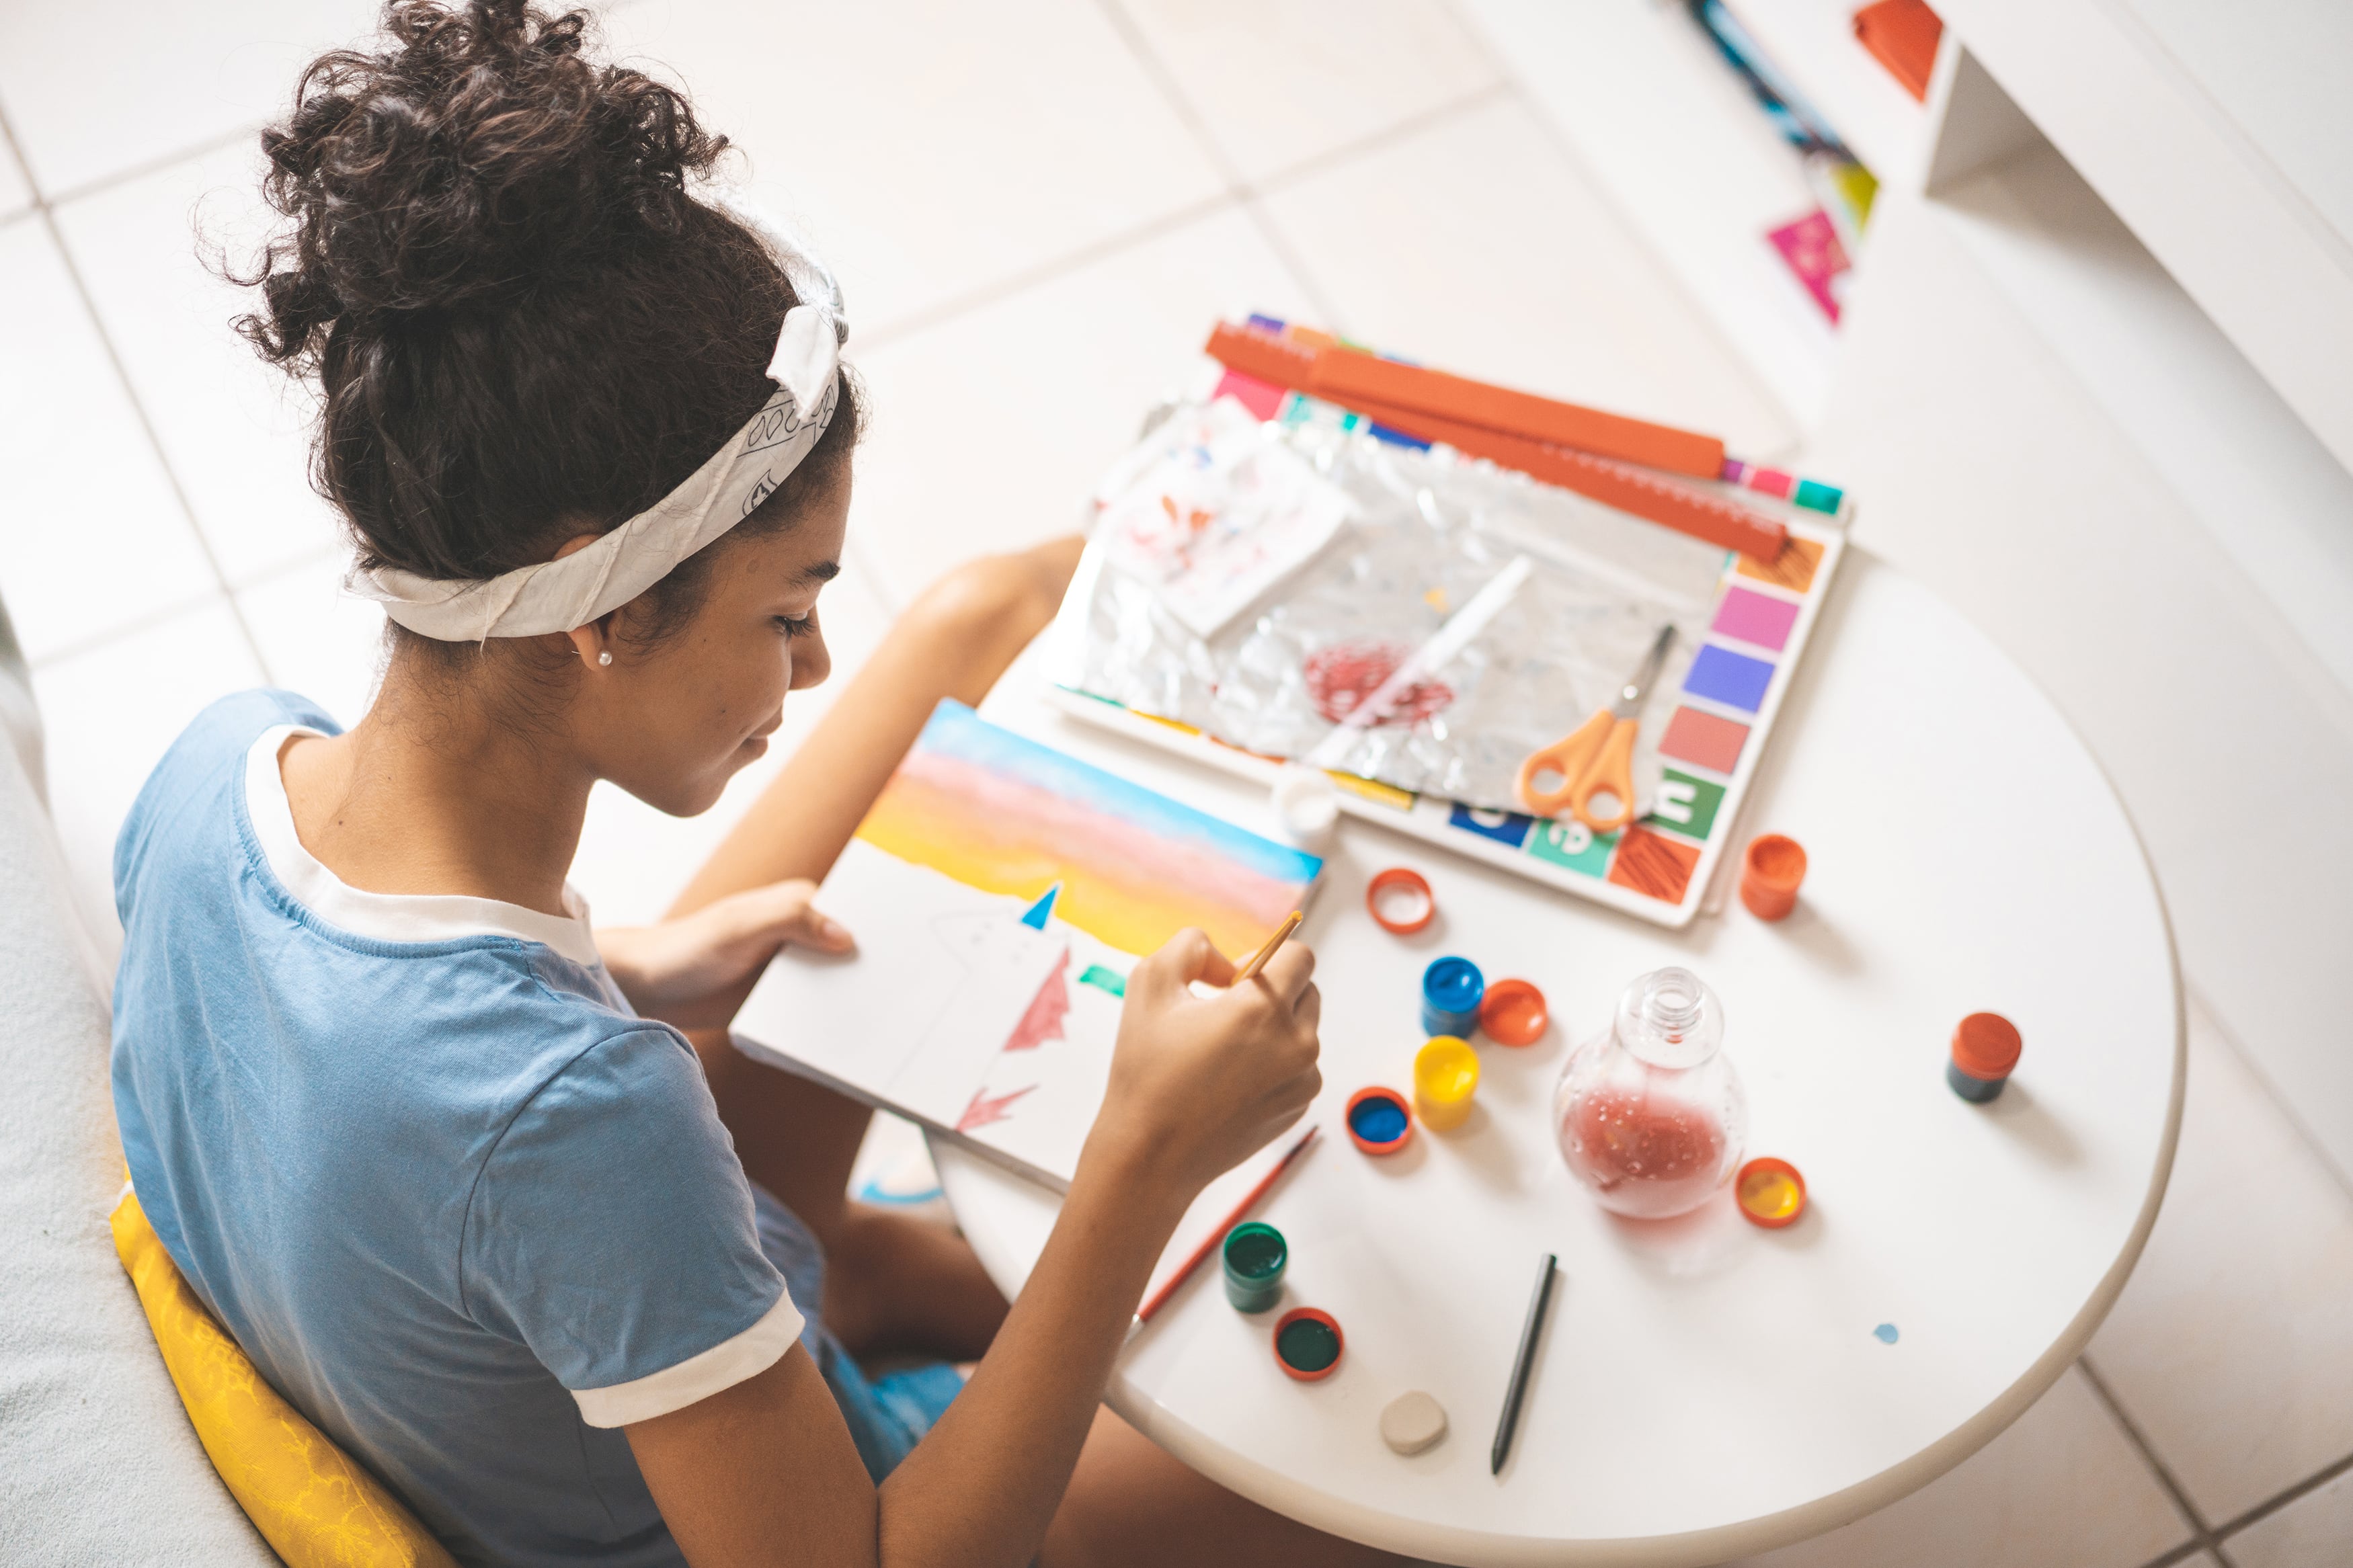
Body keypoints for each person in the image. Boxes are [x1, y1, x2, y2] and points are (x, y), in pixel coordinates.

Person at [107, 3, 1413, 1565]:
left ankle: (865, 1278)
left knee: (972, 625)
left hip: (590, 1327)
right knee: (1379, 1481)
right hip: (832, 1512)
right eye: (786, 615)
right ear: (597, 613)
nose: (809, 670)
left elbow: (341, 1065)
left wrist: (631, 970)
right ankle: (939, 1297)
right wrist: (1138, 1158)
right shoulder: (586, 1122)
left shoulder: (215, 767)